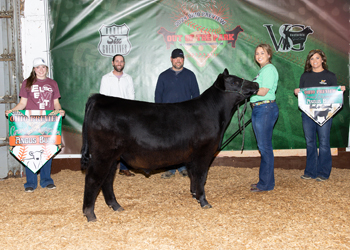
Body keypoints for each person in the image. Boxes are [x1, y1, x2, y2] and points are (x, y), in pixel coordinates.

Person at [5, 57, 65, 192]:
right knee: (30, 150)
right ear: (34, 69)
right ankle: (30, 183)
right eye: (38, 67)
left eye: (43, 67)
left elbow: (56, 102)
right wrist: (12, 111)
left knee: (47, 149)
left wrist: (59, 110)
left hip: (48, 122)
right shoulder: (27, 83)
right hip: (30, 122)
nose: (41, 69)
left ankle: (46, 181)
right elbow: (22, 103)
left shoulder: (53, 83)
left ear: (46, 69)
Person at [294, 49, 346, 181]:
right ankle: (310, 171)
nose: (314, 61)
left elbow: (335, 96)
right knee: (310, 142)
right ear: (309, 61)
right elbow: (302, 95)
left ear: (322, 60)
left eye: (317, 58)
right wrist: (298, 92)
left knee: (323, 142)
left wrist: (340, 91)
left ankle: (323, 172)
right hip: (308, 114)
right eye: (311, 59)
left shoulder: (330, 76)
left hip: (325, 114)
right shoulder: (305, 76)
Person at [155, 48, 200, 179]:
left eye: (180, 58)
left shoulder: (190, 75)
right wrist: (159, 113)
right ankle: (169, 168)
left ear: (183, 60)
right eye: (175, 58)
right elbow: (158, 96)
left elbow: (196, 96)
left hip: (186, 116)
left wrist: (194, 114)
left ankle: (183, 167)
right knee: (168, 143)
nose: (178, 60)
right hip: (167, 115)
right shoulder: (163, 76)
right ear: (171, 59)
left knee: (185, 143)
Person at [100, 54, 135, 177]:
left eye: (121, 61)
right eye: (117, 61)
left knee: (125, 142)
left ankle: (124, 168)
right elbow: (103, 98)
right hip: (111, 117)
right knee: (111, 143)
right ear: (112, 63)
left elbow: (131, 98)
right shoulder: (106, 78)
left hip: (125, 116)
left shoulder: (128, 78)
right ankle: (110, 168)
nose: (119, 63)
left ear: (124, 63)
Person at [250, 44, 279, 192]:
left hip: (265, 108)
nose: (259, 55)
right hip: (260, 108)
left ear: (269, 55)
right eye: (257, 53)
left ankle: (266, 184)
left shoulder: (269, 69)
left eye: (262, 53)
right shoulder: (263, 71)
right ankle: (265, 181)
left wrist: (248, 88)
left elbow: (263, 91)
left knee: (265, 147)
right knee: (263, 147)